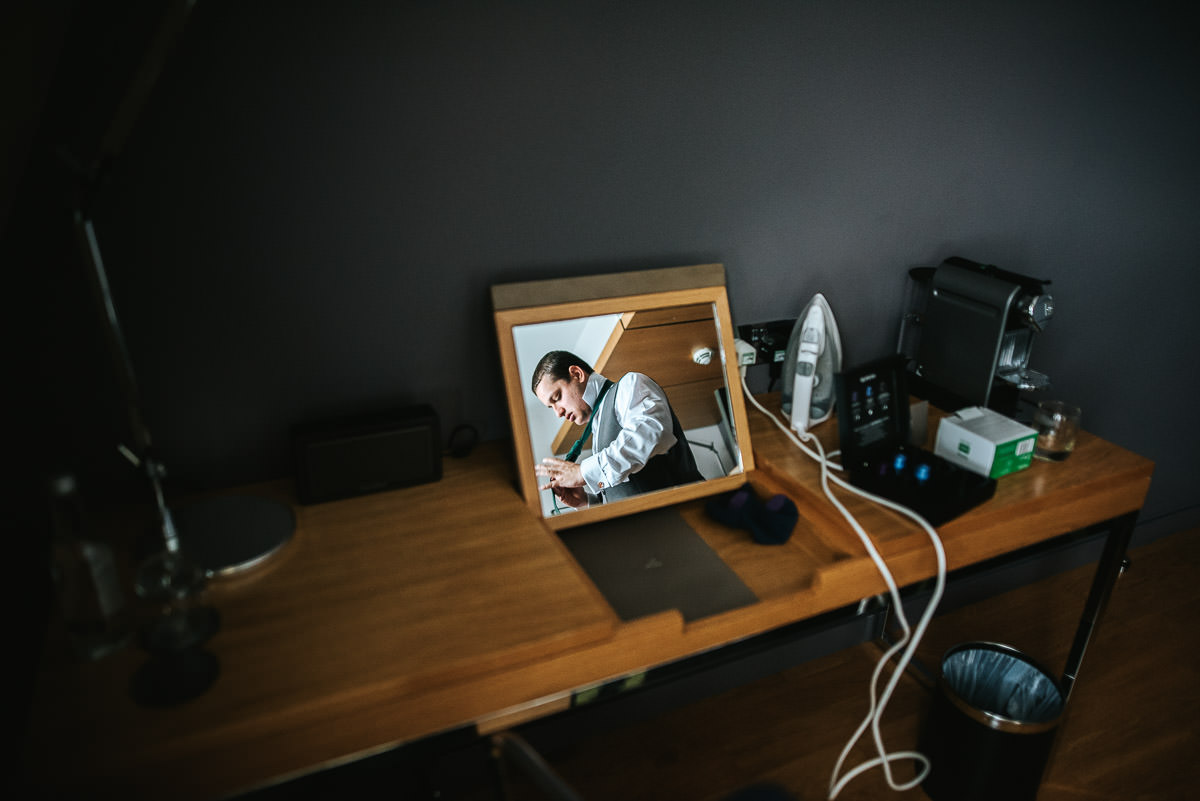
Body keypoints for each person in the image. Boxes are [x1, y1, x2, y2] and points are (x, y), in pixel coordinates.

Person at [531, 350, 704, 509]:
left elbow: (649, 434)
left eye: (557, 397)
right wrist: (586, 502)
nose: (558, 413)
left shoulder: (630, 385)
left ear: (577, 374)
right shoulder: (597, 429)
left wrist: (583, 472)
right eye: (551, 407)